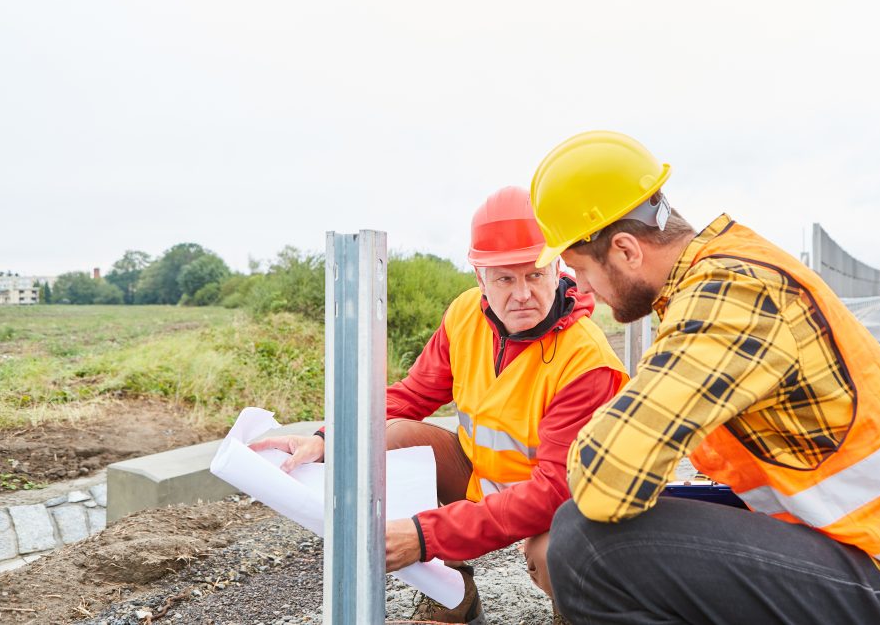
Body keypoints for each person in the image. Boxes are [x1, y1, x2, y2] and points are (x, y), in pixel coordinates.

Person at [529, 131, 880, 625]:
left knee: (585, 546)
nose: (582, 288)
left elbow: (606, 479)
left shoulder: (729, 295)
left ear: (626, 250)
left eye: (579, 269)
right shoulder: (728, 268)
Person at [252, 185, 628, 624]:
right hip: (484, 476)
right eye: (506, 278)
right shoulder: (466, 315)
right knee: (396, 440)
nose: (523, 294)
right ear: (480, 278)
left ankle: (574, 614)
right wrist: (327, 438)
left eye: (536, 274)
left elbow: (554, 491)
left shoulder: (586, 360)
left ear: (557, 267)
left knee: (556, 552)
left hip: (559, 503)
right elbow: (412, 396)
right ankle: (453, 599)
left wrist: (423, 536)